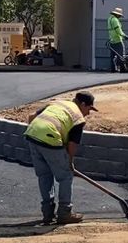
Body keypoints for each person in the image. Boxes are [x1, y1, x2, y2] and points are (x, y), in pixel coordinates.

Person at [24, 91, 100, 224]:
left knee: (44, 176)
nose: (88, 113)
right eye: (88, 109)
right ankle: (65, 213)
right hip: (50, 139)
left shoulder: (57, 103)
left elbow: (31, 117)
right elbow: (72, 145)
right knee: (65, 176)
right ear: (82, 104)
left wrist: (38, 133)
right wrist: (69, 163)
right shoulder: (78, 118)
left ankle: (47, 213)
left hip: (32, 135)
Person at [108, 7, 127, 72]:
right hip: (117, 40)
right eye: (120, 15)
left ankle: (113, 69)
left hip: (111, 40)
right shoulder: (115, 20)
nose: (120, 17)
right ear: (117, 14)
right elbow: (118, 30)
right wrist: (124, 36)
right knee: (120, 55)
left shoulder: (110, 19)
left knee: (112, 56)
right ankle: (122, 69)